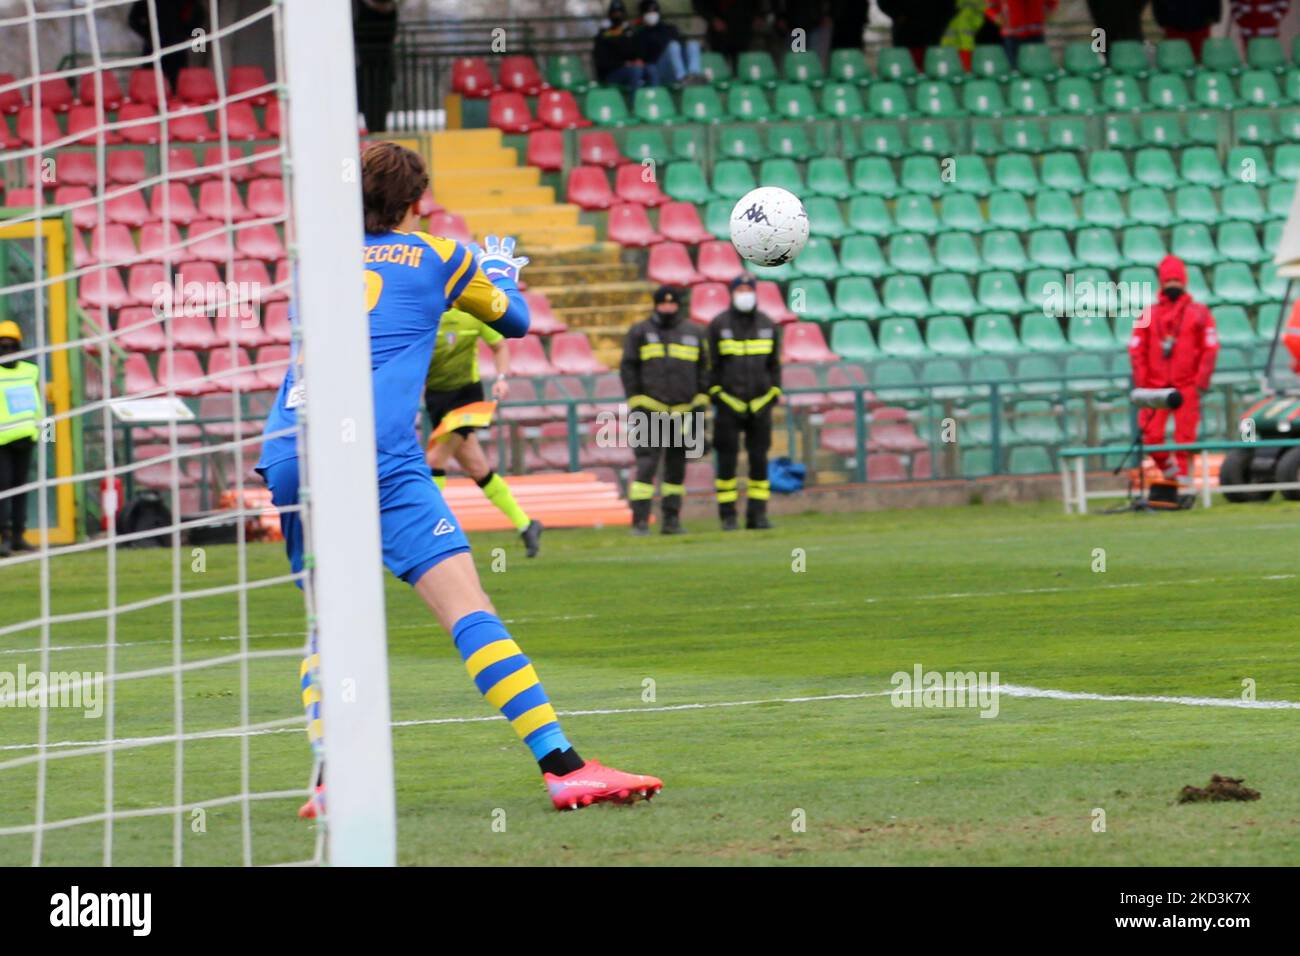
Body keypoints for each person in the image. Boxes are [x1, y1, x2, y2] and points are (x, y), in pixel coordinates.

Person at [256, 141, 661, 815]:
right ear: (418, 203)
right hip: (375, 455)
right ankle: (563, 767)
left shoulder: (314, 260)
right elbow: (518, 322)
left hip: (290, 449)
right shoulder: (441, 255)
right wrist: (498, 271)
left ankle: (332, 781)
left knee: (328, 626)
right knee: (468, 610)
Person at [423, 307, 543, 557]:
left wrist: (501, 378)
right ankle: (526, 524)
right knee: (478, 468)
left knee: (434, 460)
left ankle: (429, 530)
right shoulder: (425, 313)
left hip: (467, 396)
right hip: (436, 398)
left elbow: (500, 346)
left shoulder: (472, 314)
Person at [619, 285, 709, 536]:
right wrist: (635, 400)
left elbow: (704, 369)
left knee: (676, 468)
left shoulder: (693, 332)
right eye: (663, 304)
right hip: (650, 409)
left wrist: (701, 399)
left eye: (672, 304)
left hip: (684, 411)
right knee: (646, 466)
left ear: (678, 305)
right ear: (656, 305)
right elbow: (628, 368)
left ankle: (671, 520)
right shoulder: (640, 332)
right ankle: (639, 521)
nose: (667, 308)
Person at [1128, 255, 1219, 484]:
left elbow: (1210, 347)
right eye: (1168, 282)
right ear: (1161, 283)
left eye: (1176, 281)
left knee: (1185, 438)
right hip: (1154, 387)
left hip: (1186, 385)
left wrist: (1200, 382)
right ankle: (1170, 474)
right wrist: (1143, 384)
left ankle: (1184, 484)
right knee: (1151, 435)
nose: (1173, 286)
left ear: (1184, 282)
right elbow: (1136, 349)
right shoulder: (1148, 313)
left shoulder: (1199, 312)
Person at [707, 273, 781, 531]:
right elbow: (712, 367)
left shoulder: (767, 324)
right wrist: (719, 395)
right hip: (728, 406)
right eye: (741, 290)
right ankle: (728, 516)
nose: (745, 294)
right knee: (726, 461)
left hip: (760, 406)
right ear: (732, 293)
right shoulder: (719, 324)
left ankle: (757, 515)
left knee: (759, 460)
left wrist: (771, 395)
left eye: (749, 289)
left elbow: (774, 366)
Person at [0, 320, 40, 558]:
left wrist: (47, 437)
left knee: (21, 490)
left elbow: (39, 407)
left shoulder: (30, 371)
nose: (7, 351)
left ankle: (18, 536)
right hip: (1, 442)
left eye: (11, 346)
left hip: (26, 439)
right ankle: (4, 536)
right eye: (2, 346)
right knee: (3, 490)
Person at [127, 0, 207, 88]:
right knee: (150, 86)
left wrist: (185, 32)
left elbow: (199, 15)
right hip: (154, 50)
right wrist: (149, 34)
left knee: (177, 86)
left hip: (176, 50)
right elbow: (133, 19)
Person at [353, 0, 399, 134]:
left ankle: (376, 137)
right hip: (370, 66)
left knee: (376, 108)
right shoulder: (389, 10)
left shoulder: (359, 7)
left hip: (373, 66)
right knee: (375, 108)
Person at [634, 0, 705, 86]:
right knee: (673, 46)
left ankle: (694, 75)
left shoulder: (669, 29)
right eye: (648, 12)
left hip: (676, 66)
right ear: (642, 15)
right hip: (658, 69)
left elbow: (681, 48)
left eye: (654, 11)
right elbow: (641, 59)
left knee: (693, 44)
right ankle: (681, 78)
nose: (652, 14)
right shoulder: (641, 34)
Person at [877, 0, 957, 70]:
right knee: (906, 67)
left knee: (933, 67)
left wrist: (942, 19)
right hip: (906, 33)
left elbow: (949, 6)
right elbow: (884, 3)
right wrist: (897, 15)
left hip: (933, 32)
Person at [594, 0, 653, 92]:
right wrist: (624, 64)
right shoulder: (603, 35)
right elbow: (602, 62)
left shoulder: (630, 33)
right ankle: (634, 103)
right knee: (635, 71)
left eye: (620, 12)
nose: (618, 15)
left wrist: (639, 60)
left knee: (651, 69)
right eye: (615, 13)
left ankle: (653, 101)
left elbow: (638, 51)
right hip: (611, 74)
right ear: (610, 15)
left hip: (631, 68)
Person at [988, 0, 1058, 67]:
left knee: (1037, 68)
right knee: (1013, 69)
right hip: (1011, 36)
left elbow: (1052, 3)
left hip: (1035, 34)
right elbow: (990, 6)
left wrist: (1045, 15)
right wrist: (997, 18)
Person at [692, 0, 756, 64]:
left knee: (742, 62)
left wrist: (756, 15)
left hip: (741, 29)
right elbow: (698, 5)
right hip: (718, 32)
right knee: (719, 62)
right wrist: (712, 19)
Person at [1154, 0, 1222, 60]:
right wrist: (1161, 20)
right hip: (1174, 26)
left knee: (1202, 60)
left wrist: (1215, 16)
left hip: (1200, 25)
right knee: (1175, 59)